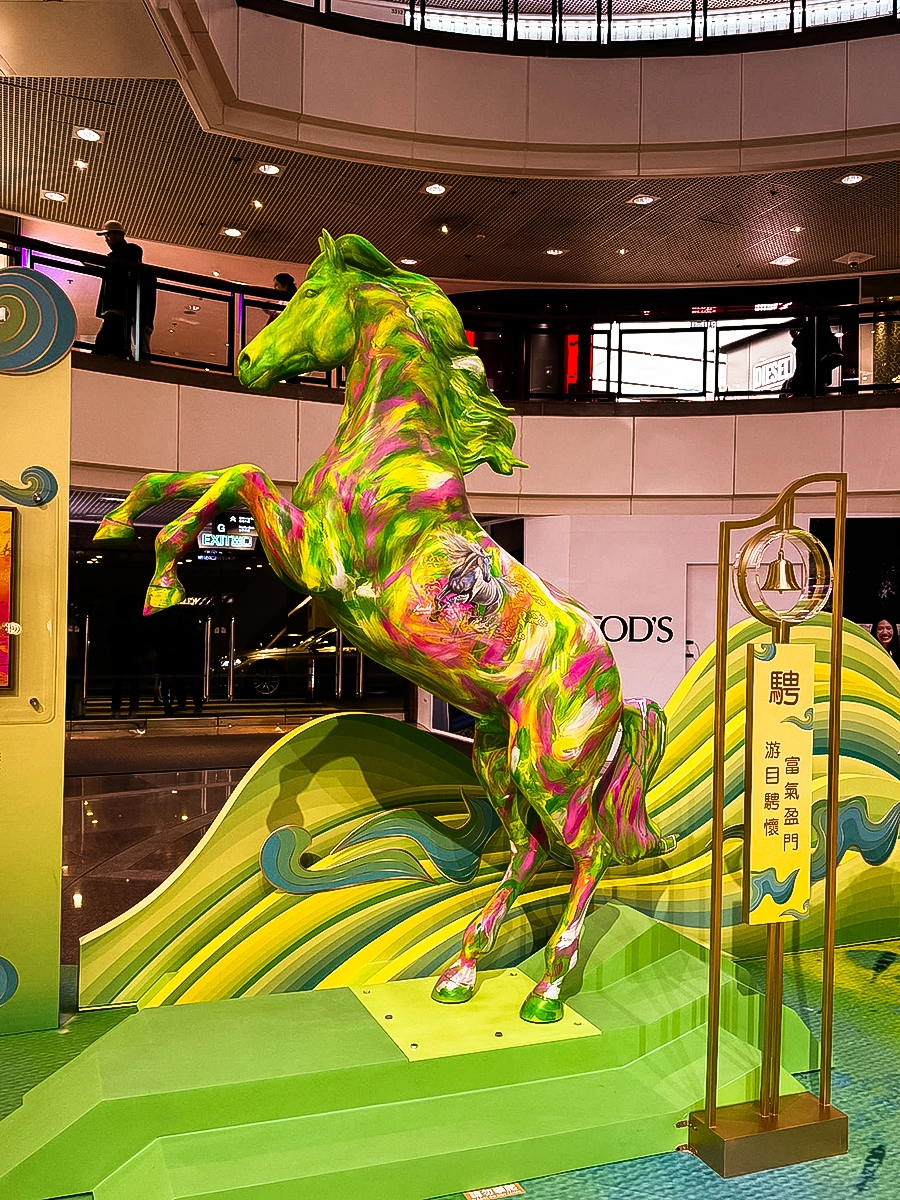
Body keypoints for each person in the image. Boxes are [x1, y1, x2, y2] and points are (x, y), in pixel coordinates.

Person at [91, 220, 156, 359]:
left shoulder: (127, 253)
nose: (106, 239)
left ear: (118, 235)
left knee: (105, 342)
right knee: (117, 343)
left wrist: (98, 266)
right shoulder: (125, 256)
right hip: (121, 308)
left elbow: (118, 274)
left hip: (118, 306)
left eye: (108, 235)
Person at [783, 314, 843, 397]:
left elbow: (803, 346)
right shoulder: (826, 337)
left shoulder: (811, 335)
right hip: (815, 379)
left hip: (807, 378)